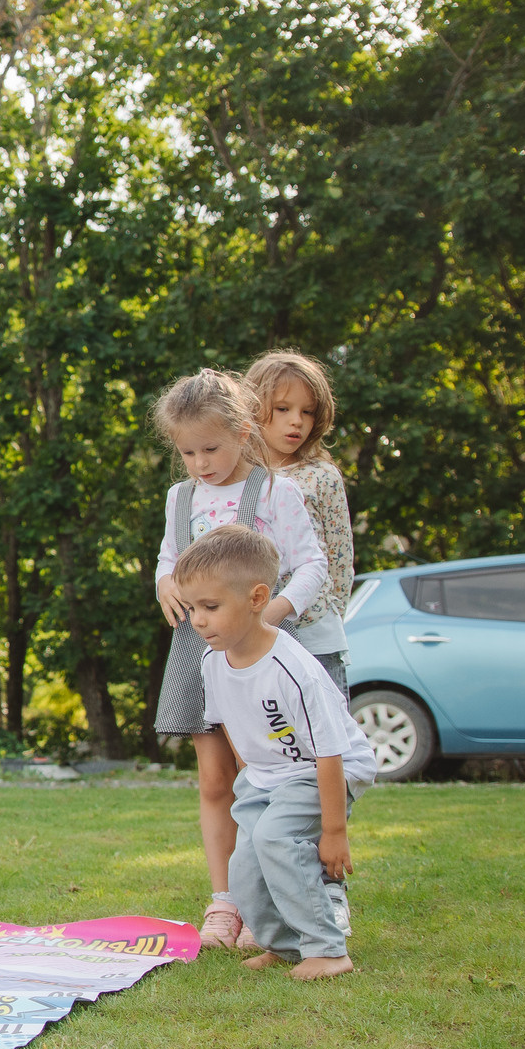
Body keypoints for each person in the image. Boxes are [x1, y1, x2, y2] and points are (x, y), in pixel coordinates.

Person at [148, 367, 330, 954]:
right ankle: (224, 898)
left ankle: (267, 900)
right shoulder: (182, 498)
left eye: (212, 448)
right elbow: (169, 560)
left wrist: (270, 613)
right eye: (188, 452)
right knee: (214, 778)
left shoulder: (277, 492)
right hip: (198, 649)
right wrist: (163, 585)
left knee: (267, 773)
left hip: (259, 654)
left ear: (245, 432)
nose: (201, 462)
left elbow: (312, 566)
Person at [176, 524, 370, 980]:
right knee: (244, 864)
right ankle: (284, 945)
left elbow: (329, 752)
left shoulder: (292, 666)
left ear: (257, 598)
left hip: (325, 768)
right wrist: (252, 792)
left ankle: (328, 950)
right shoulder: (212, 663)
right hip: (268, 776)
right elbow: (241, 736)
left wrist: (334, 830)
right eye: (192, 608)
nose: (198, 620)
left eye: (211, 607)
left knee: (276, 840)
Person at [244, 351, 356, 695]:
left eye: (307, 412)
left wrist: (327, 611)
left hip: (313, 632)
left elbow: (340, 557)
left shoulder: (321, 475)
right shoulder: (238, 478)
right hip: (250, 631)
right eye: (283, 409)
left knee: (324, 737)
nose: (297, 421)